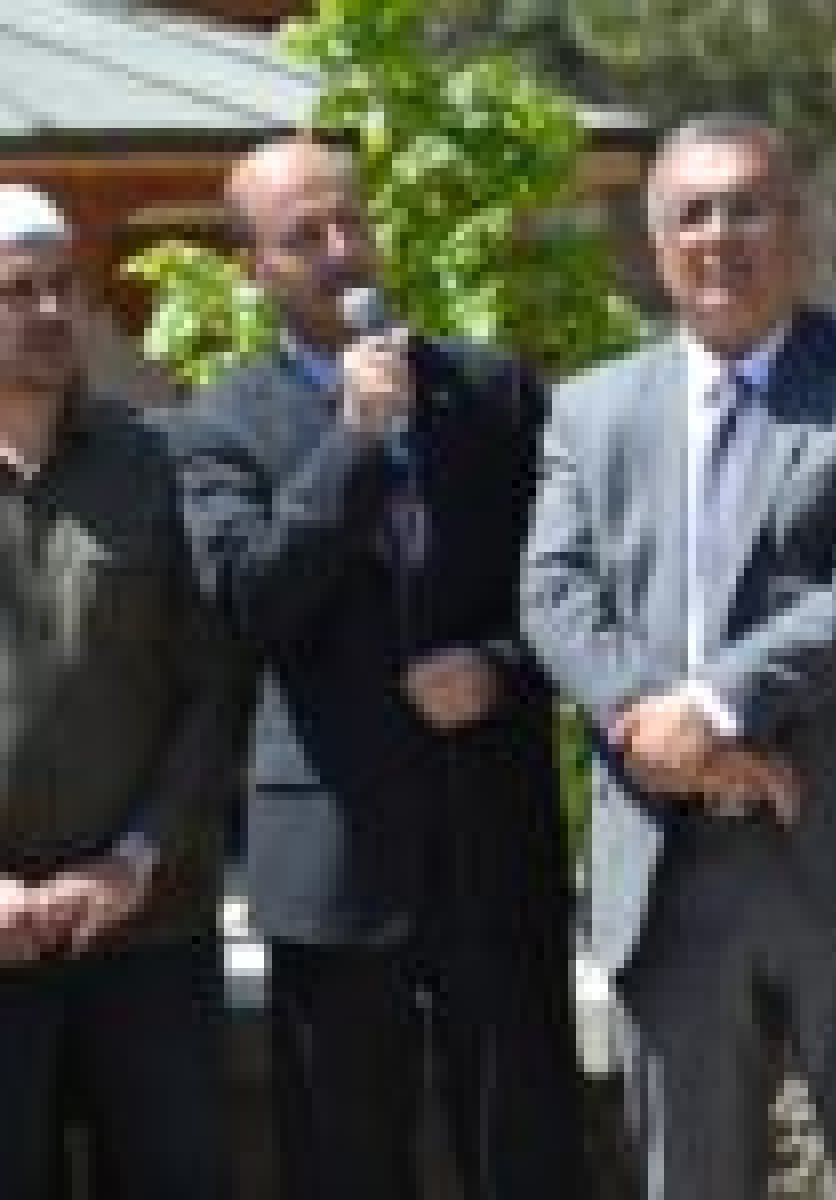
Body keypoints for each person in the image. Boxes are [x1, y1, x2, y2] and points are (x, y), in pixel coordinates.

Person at [522, 114, 836, 1200]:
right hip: (671, 866)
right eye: (693, 213)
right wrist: (667, 730)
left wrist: (715, 706)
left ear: (799, 229)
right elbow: (553, 596)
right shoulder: (591, 410)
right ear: (656, 244)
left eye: (748, 209)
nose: (719, 236)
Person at [169, 137, 580, 1200]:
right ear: (252, 267)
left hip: (492, 834)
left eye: (351, 222)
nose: (341, 251)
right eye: (303, 237)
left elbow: (569, 593)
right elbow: (251, 604)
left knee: (526, 1144)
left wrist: (495, 667)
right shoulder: (217, 425)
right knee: (344, 1155)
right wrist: (353, 441)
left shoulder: (489, 391)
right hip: (335, 848)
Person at [0, 185, 231, 1200]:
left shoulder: (153, 461)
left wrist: (133, 859)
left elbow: (212, 688)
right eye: (17, 291)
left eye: (63, 286)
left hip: (147, 927)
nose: (50, 310)